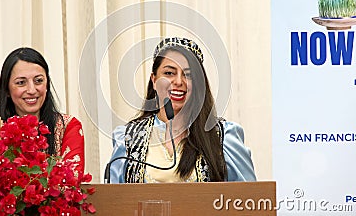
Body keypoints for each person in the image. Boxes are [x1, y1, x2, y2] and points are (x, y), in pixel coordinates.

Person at [109, 37, 256, 183]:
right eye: (169, 73)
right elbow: (114, 200)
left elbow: (249, 198)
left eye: (188, 75)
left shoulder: (223, 136)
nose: (179, 82)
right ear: (154, 80)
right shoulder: (128, 138)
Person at [0, 47, 85, 173]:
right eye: (21, 83)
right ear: (6, 89)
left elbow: (70, 181)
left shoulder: (69, 126)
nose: (31, 90)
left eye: (38, 81)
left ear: (47, 85)